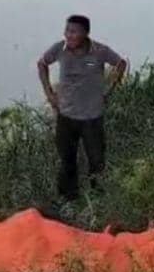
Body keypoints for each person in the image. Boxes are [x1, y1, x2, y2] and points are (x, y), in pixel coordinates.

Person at [37, 15, 127, 201]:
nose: (68, 35)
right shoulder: (59, 49)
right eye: (67, 30)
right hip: (66, 116)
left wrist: (109, 90)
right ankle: (69, 200)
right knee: (67, 160)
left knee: (96, 160)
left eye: (73, 31)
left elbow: (120, 63)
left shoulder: (99, 51)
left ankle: (98, 199)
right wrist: (50, 94)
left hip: (92, 117)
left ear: (85, 33)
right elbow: (42, 63)